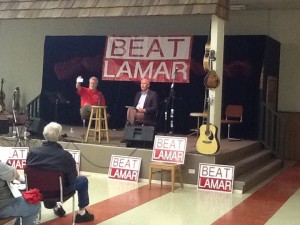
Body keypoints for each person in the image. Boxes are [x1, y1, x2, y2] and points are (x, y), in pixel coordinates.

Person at [26, 122, 94, 223]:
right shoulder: (65, 156)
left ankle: (54, 206)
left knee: (46, 181)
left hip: (37, 190)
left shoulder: (32, 152)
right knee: (82, 180)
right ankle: (82, 213)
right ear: (59, 136)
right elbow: (73, 178)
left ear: (44, 135)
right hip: (60, 192)